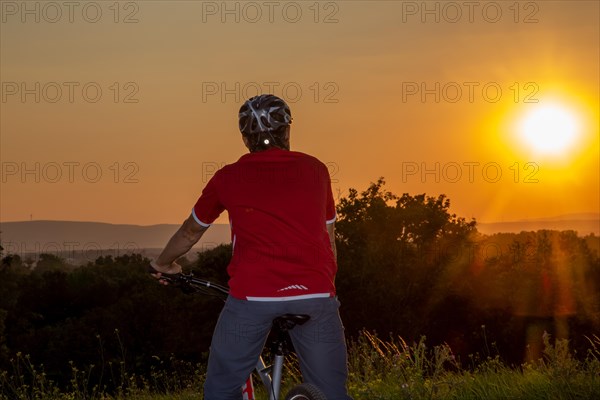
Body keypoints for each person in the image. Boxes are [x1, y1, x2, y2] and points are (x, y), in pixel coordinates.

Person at [149, 94, 352, 400]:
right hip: (316, 294)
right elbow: (329, 238)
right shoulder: (317, 170)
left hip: (254, 297)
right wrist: (323, 287)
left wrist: (163, 263)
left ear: (245, 138)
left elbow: (190, 233)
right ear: (287, 131)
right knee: (332, 394)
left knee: (221, 388)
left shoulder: (227, 178)